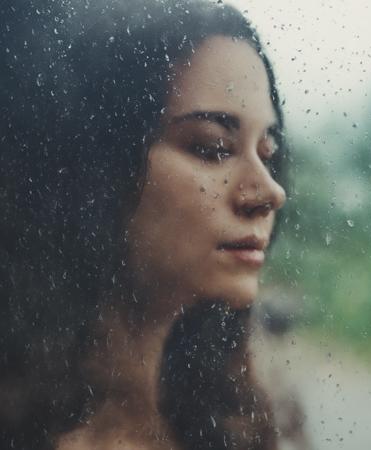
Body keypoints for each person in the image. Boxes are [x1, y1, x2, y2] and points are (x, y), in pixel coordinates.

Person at [0, 0, 306, 448]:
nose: (269, 193)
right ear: (99, 170)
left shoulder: (243, 418)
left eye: (267, 153)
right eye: (212, 147)